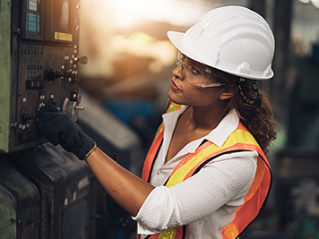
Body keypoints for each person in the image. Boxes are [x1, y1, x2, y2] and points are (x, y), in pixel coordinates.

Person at [38, 5, 277, 239]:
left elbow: (161, 211)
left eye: (195, 70)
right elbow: (161, 190)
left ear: (226, 90)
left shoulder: (237, 159)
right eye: (183, 60)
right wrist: (129, 198)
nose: (177, 72)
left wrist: (83, 146)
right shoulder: (179, 109)